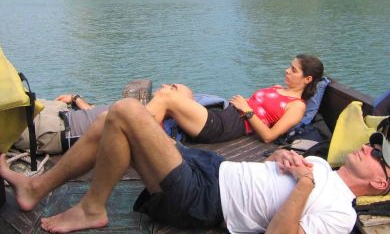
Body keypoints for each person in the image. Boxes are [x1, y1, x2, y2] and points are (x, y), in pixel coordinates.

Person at [0, 98, 389, 233]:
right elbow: (269, 169)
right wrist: (280, 157)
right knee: (106, 124)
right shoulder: (320, 163)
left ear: (379, 183)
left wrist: (303, 185)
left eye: (377, 156)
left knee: (128, 112)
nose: (369, 149)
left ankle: (92, 207)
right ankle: (37, 188)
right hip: (213, 167)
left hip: (205, 200)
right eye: (374, 146)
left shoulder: (340, 214)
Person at [147, 54, 324, 143]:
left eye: (293, 70)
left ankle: (142, 135)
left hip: (221, 127)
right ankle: (148, 131)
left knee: (165, 96)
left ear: (307, 79)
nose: (287, 70)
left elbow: (269, 136)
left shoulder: (296, 107)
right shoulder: (277, 88)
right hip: (222, 114)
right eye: (289, 66)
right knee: (177, 89)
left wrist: (246, 110)